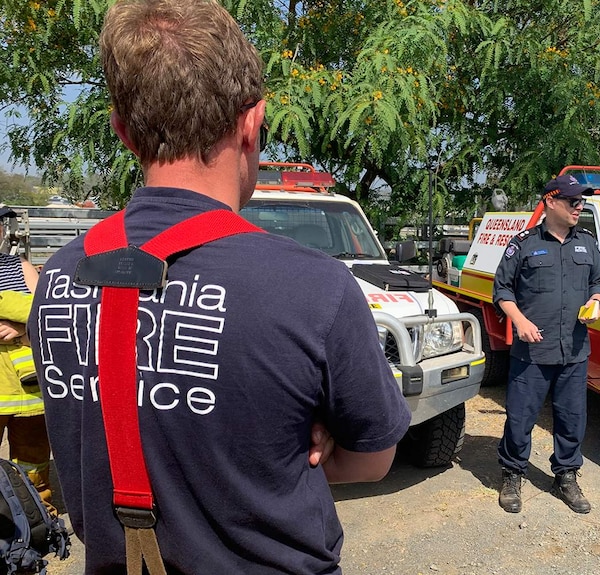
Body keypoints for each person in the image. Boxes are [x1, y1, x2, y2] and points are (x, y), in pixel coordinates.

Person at [26, 1, 411, 573]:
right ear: (252, 123)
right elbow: (374, 460)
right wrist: (296, 447)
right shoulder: (314, 289)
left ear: (122, 131)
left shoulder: (58, 276)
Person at [493, 174, 600, 515]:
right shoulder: (524, 243)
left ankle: (567, 475)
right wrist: (520, 321)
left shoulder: (587, 243)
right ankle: (513, 472)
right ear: (551, 201)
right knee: (520, 417)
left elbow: (599, 282)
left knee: (572, 418)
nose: (580, 206)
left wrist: (597, 301)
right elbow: (502, 290)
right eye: (573, 201)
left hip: (573, 350)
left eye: (582, 201)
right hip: (532, 352)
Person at [0, 207, 54, 512]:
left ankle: (36, 513)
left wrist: (22, 325)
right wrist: (22, 309)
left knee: (34, 460)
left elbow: (47, 312)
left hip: (30, 389)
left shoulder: (19, 267)